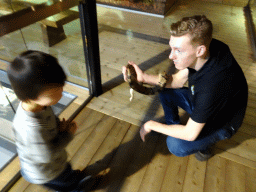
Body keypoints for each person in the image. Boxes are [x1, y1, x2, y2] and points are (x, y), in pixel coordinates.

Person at [122, 15, 248, 161]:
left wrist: (151, 125)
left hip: (222, 122)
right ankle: (173, 127)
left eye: (178, 51)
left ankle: (205, 146)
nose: (170, 56)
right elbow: (176, 80)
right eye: (171, 48)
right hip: (206, 102)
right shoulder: (208, 47)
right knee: (165, 89)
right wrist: (143, 78)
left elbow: (189, 134)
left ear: (200, 50)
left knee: (176, 144)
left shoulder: (211, 86)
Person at [7, 50, 91, 191]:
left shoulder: (40, 105)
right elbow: (47, 155)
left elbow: (49, 120)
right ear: (32, 97)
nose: (61, 94)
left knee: (66, 172)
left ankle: (71, 178)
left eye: (61, 88)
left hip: (55, 164)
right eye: (55, 92)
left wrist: (58, 126)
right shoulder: (31, 128)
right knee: (64, 183)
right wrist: (67, 134)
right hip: (47, 172)